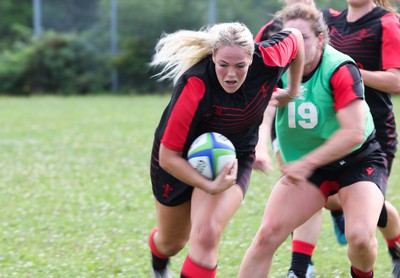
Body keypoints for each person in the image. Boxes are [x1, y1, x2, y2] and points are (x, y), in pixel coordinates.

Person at [238, 3, 387, 278]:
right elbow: (265, 111)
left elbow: (354, 132)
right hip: (308, 168)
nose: (295, 46)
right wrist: (261, 149)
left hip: (357, 161)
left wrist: (308, 162)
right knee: (266, 236)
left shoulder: (339, 68)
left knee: (360, 238)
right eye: (289, 39)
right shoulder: (276, 67)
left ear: (320, 39)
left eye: (302, 38)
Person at [147, 22, 305, 278]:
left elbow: (296, 38)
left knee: (207, 233)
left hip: (234, 156)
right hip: (178, 159)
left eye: (240, 66)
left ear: (252, 58)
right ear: (213, 57)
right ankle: (158, 260)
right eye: (223, 65)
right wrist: (208, 185)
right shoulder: (194, 84)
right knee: (171, 243)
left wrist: (292, 91)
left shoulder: (270, 58)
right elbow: (168, 157)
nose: (231, 74)